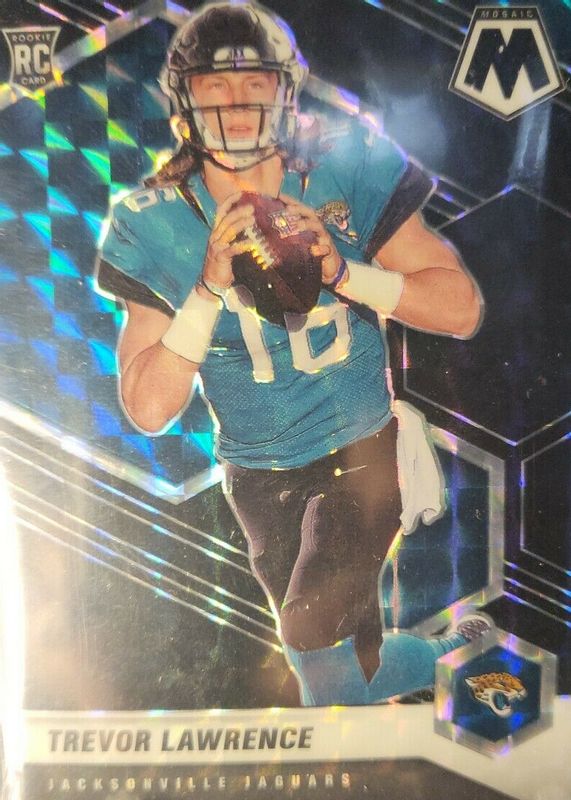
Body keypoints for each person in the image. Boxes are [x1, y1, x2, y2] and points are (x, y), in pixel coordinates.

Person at [96, 0, 492, 706]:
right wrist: (206, 289)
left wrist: (344, 272)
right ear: (184, 101)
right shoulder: (151, 221)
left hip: (360, 451)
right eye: (215, 86)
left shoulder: (345, 167)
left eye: (254, 83)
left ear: (285, 91)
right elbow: (149, 408)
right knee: (336, 677)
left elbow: (460, 309)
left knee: (310, 630)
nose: (236, 105)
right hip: (254, 475)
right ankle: (444, 656)